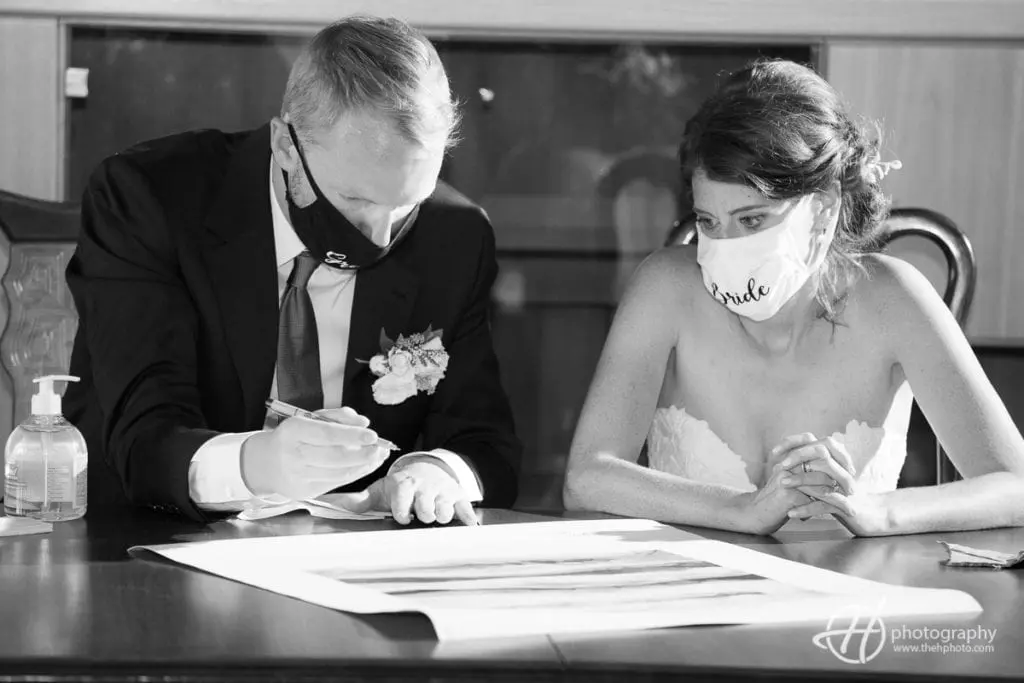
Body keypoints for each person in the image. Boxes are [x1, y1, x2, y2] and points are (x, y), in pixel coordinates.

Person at [63, 15, 521, 525]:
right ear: (286, 146)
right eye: (355, 199)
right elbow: (141, 439)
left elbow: (486, 442)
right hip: (148, 545)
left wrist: (437, 469)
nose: (381, 236)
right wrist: (261, 463)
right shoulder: (151, 199)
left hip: (353, 551)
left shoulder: (452, 237)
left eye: (406, 205)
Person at [564, 59, 1024, 536]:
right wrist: (741, 510)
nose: (724, 247)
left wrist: (878, 511)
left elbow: (1014, 486)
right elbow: (587, 478)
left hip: (853, 599)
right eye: (707, 222)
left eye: (752, 220)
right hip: (699, 596)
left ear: (822, 209)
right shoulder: (663, 289)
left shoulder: (895, 299)